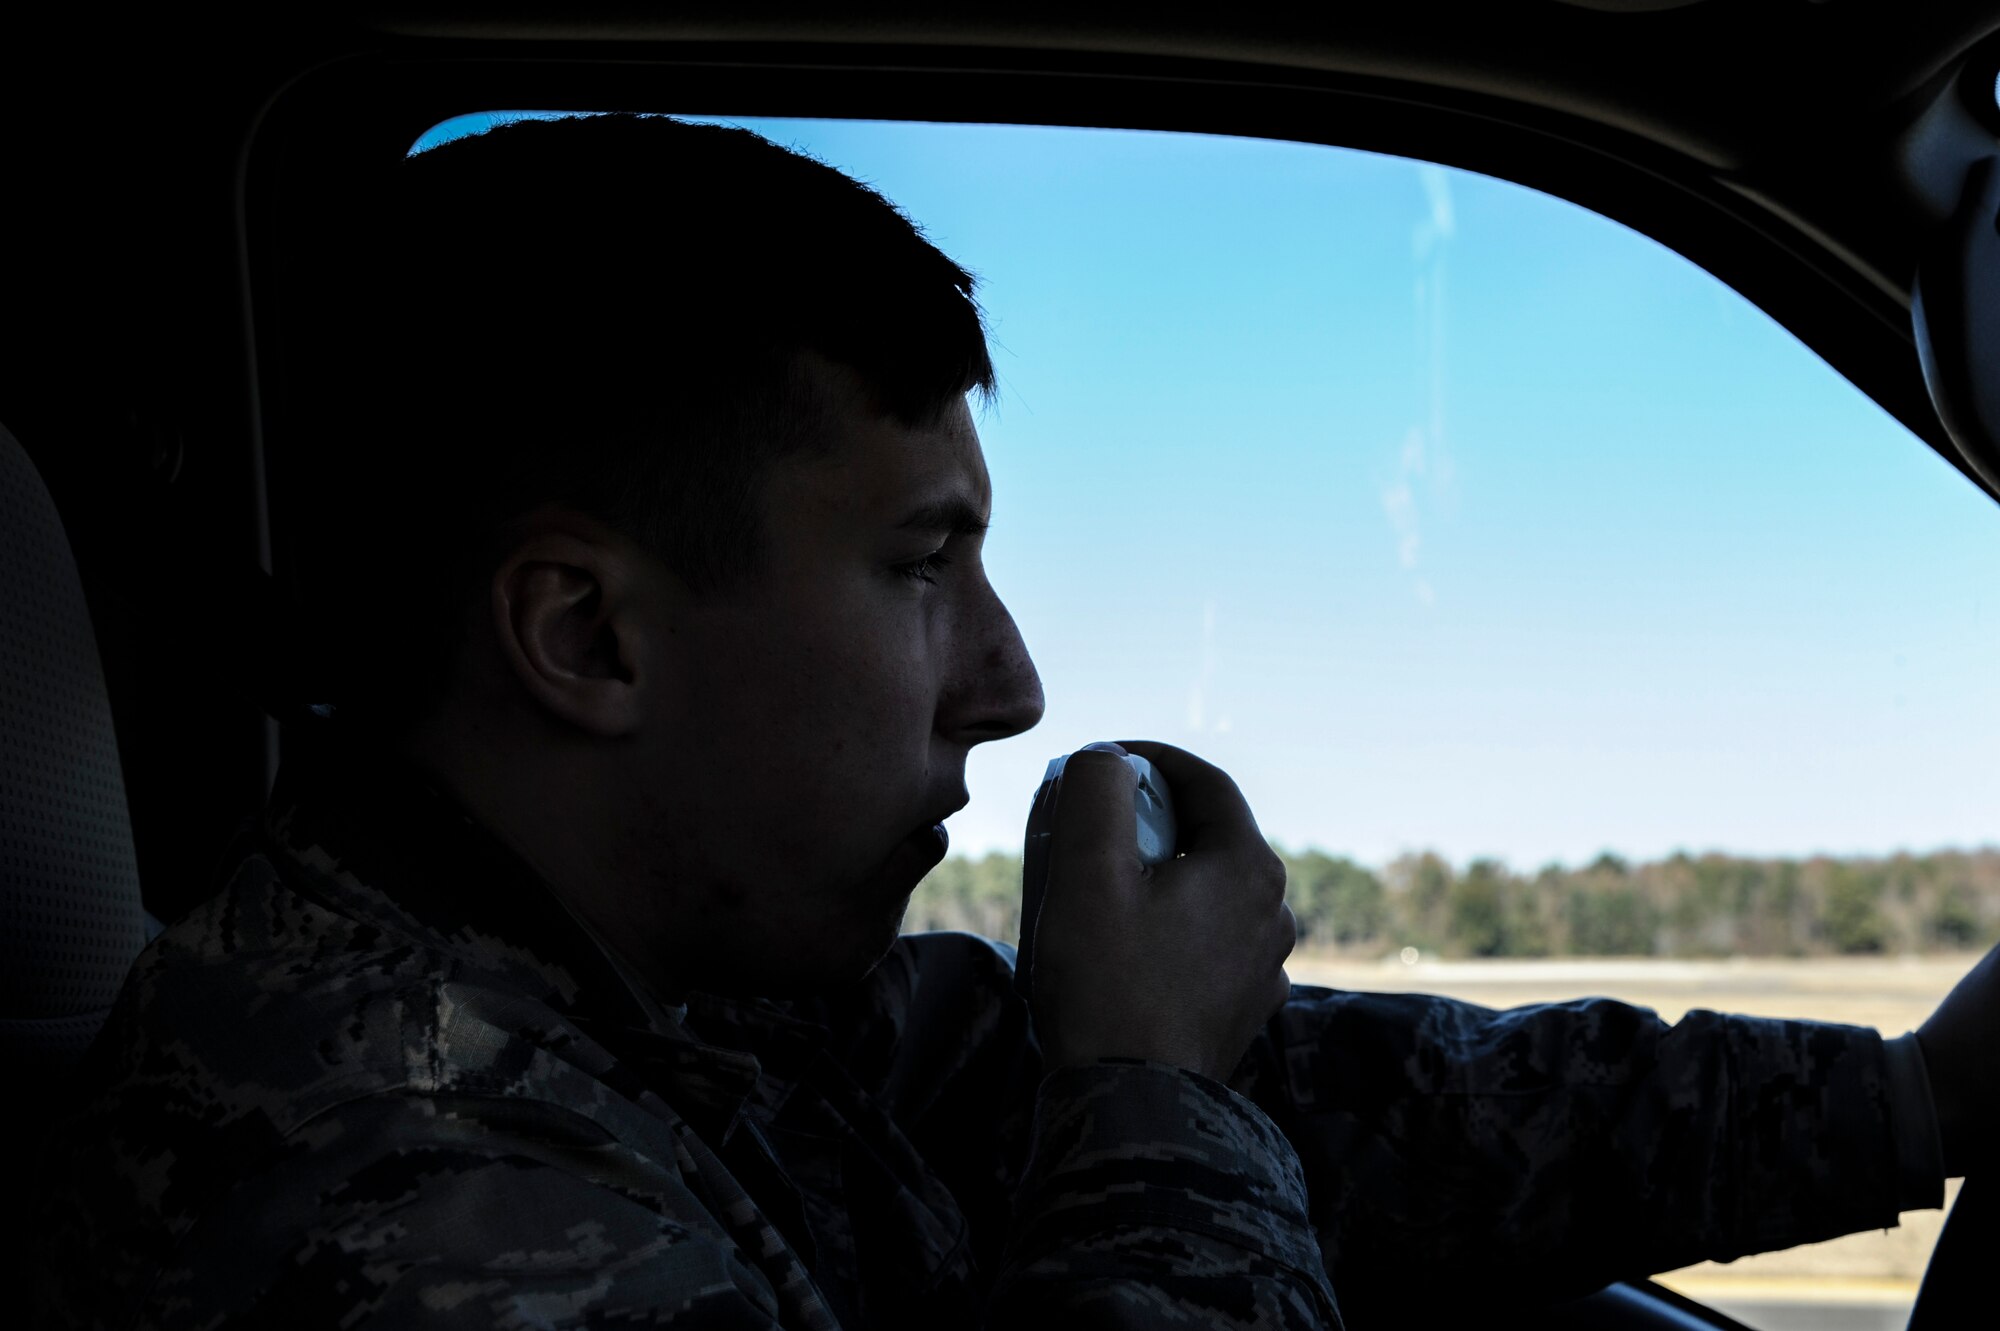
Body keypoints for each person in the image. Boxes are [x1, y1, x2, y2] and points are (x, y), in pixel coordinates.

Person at [30, 113, 1997, 1330]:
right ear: (587, 638)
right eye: (920, 564)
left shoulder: (677, 1007)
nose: (1011, 679)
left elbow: (1371, 1111)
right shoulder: (384, 1179)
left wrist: (1912, 1105)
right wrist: (1150, 1095)